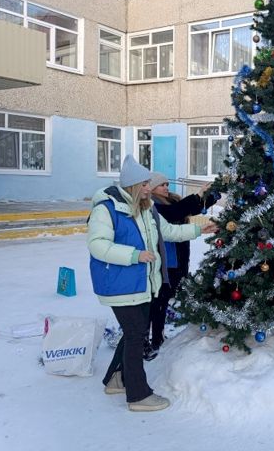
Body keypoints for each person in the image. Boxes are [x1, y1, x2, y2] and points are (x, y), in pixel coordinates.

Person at [87, 155, 201, 412]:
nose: (150, 188)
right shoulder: (106, 209)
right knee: (137, 334)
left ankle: (116, 379)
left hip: (143, 283)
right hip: (120, 284)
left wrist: (198, 230)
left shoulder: (146, 208)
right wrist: (134, 255)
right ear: (134, 185)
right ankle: (138, 395)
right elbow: (97, 245)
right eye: (146, 184)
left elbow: (167, 232)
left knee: (134, 333)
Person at [146, 172, 218, 358]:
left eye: (166, 184)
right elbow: (176, 212)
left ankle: (157, 336)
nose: (166, 187)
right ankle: (153, 340)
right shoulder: (153, 205)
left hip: (179, 256)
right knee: (159, 301)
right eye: (161, 185)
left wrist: (213, 196)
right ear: (151, 187)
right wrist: (198, 195)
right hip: (165, 260)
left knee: (164, 299)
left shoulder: (172, 201)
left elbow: (191, 208)